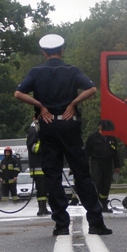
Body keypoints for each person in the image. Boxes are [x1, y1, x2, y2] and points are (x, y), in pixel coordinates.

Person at [13, 33, 112, 236]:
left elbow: (18, 93)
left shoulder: (36, 72)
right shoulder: (71, 70)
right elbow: (91, 88)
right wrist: (73, 104)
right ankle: (95, 222)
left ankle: (61, 225)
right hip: (69, 125)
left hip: (48, 126)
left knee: (53, 175)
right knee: (82, 174)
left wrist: (40, 106)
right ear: (62, 51)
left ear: (44, 53)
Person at [85, 130, 119, 213]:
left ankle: (104, 205)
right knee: (97, 182)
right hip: (96, 162)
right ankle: (96, 204)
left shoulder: (112, 138)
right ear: (99, 126)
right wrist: (84, 164)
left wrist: (117, 165)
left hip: (108, 163)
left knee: (106, 183)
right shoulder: (93, 137)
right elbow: (87, 152)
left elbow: (115, 153)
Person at [26, 117, 50, 216]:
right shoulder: (33, 130)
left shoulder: (42, 130)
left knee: (45, 189)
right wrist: (42, 142)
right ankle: (41, 208)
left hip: (44, 165)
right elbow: (32, 147)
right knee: (41, 188)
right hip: (37, 167)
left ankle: (44, 208)